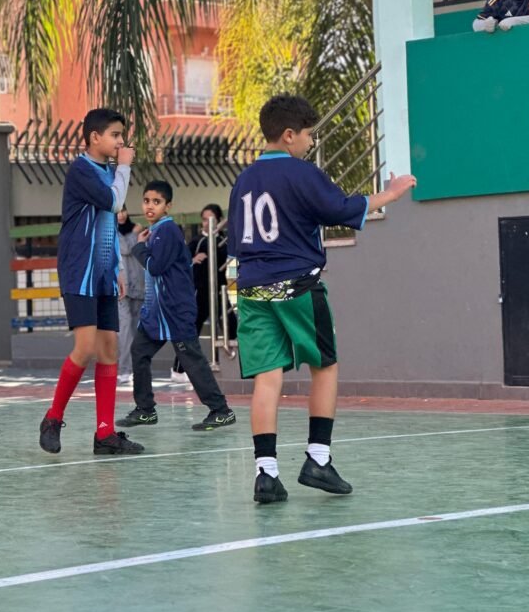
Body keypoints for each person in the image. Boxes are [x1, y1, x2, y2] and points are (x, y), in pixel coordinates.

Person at [227, 93, 417, 505]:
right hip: (297, 284)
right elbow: (341, 208)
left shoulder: (244, 180)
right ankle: (318, 458)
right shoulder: (302, 173)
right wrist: (391, 193)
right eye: (309, 135)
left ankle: (266, 473)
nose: (311, 142)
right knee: (325, 366)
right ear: (289, 135)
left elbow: (237, 239)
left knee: (267, 378)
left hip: (253, 288)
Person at [39, 108, 144, 456]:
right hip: (79, 270)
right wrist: (125, 166)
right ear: (94, 137)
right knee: (85, 348)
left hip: (103, 273)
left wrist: (116, 268)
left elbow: (108, 225)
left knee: (109, 348)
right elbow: (113, 203)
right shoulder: (82, 170)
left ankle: (105, 434)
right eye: (115, 135)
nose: (121, 142)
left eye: (122, 135)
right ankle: (53, 418)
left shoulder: (110, 172)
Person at [117, 180, 236, 432]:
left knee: (191, 359)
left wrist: (138, 247)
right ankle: (145, 410)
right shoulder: (156, 231)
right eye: (146, 201)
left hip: (175, 311)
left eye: (157, 202)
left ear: (168, 206)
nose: (150, 206)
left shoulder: (168, 231)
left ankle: (221, 410)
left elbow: (155, 266)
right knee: (139, 352)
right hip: (157, 314)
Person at [188, 203, 238, 344]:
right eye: (204, 219)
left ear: (219, 220)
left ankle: (232, 356)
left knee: (230, 327)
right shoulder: (197, 241)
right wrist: (192, 260)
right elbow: (180, 261)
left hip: (221, 291)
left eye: (211, 219)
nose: (207, 223)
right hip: (201, 292)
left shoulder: (224, 242)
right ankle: (184, 359)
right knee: (192, 329)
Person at [117, 207, 145, 385]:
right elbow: (126, 248)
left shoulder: (137, 229)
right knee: (125, 328)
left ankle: (137, 368)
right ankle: (124, 369)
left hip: (138, 285)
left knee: (137, 329)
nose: (121, 215)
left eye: (124, 210)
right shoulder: (111, 231)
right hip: (121, 288)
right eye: (117, 212)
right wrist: (135, 234)